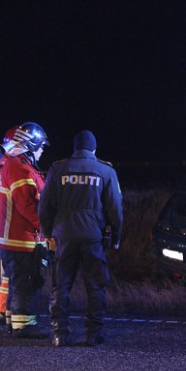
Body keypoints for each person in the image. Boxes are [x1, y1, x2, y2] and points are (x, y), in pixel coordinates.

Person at [39, 130, 123, 347]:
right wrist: (116, 236)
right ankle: (93, 334)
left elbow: (45, 206)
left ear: (75, 149)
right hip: (92, 237)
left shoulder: (58, 169)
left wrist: (48, 233)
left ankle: (59, 334)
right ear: (94, 149)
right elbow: (115, 209)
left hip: (63, 236)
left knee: (61, 286)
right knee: (95, 286)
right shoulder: (105, 171)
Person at [0, 122, 49, 338]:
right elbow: (27, 205)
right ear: (32, 144)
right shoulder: (20, 167)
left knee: (18, 282)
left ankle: (13, 320)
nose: (43, 150)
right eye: (41, 145)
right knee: (26, 283)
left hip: (15, 238)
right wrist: (46, 229)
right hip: (21, 239)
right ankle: (24, 325)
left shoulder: (18, 165)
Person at [0, 126, 18, 330]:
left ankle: (4, 311)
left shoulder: (3, 166)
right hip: (8, 229)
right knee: (9, 275)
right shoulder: (7, 168)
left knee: (7, 276)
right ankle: (6, 312)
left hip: (4, 228)